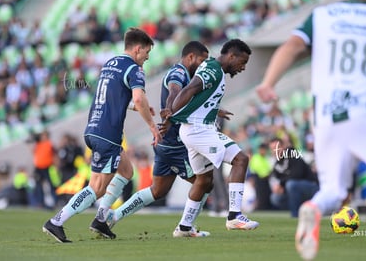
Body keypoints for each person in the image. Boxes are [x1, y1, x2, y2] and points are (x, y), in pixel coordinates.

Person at [255, 0, 366, 260]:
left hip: (326, 117)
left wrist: (269, 83)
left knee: (333, 190)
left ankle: (314, 209)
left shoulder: (321, 16)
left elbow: (292, 46)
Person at [42, 27, 162, 243]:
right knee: (96, 188)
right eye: (146, 52)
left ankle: (100, 220)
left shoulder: (110, 64)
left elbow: (114, 97)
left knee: (126, 171)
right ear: (138, 49)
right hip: (108, 134)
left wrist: (137, 108)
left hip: (94, 128)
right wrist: (152, 126)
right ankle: (56, 221)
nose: (147, 57)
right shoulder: (135, 70)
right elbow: (138, 98)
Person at [105, 41, 212, 237]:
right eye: (201, 60)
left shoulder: (187, 75)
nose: (203, 64)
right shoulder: (178, 73)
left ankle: (114, 215)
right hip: (175, 144)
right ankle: (185, 228)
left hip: (165, 143)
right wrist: (170, 111)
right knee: (204, 181)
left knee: (158, 190)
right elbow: (173, 91)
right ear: (190, 57)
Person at [167, 39, 259, 234]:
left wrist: (216, 109)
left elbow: (200, 97)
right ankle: (234, 216)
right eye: (242, 62)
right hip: (198, 130)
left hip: (196, 129)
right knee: (241, 159)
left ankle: (184, 227)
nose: (242, 68)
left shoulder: (215, 70)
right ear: (231, 56)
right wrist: (171, 114)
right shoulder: (214, 69)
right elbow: (190, 89)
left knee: (204, 180)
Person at [269, 137, 318, 217]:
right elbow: (277, 178)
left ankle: (295, 214)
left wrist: (281, 184)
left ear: (283, 147)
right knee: (275, 197)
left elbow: (297, 174)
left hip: (311, 187)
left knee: (291, 184)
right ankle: (303, 209)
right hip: (294, 191)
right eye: (272, 149)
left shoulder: (293, 154)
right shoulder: (277, 164)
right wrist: (278, 187)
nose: (275, 151)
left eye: (277, 147)